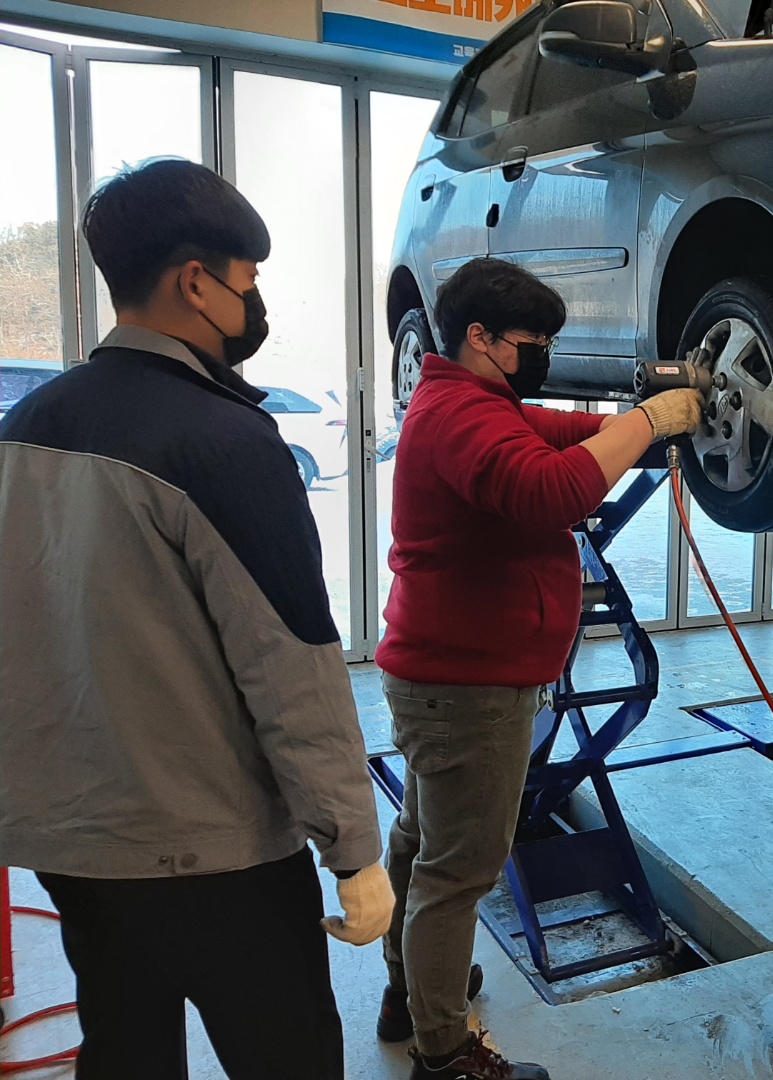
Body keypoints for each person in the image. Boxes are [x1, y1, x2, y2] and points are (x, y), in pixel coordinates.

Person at [0, 158, 393, 1079]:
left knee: (125, 1050)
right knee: (286, 1058)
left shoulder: (21, 431)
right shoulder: (226, 444)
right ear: (195, 283)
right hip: (219, 855)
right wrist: (354, 849)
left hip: (73, 845)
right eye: (247, 280)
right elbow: (292, 665)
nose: (255, 302)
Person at [377, 258, 703, 1080]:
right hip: (469, 690)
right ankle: (442, 1053)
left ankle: (411, 992)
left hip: (443, 677)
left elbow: (553, 433)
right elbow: (554, 491)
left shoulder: (469, 401)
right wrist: (647, 423)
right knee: (457, 873)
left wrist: (633, 427)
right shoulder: (460, 417)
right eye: (533, 340)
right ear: (480, 337)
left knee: (422, 841)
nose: (543, 355)